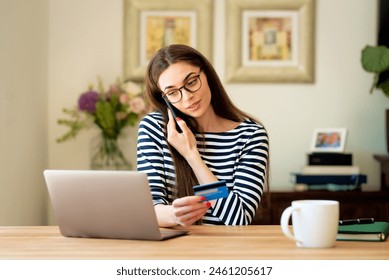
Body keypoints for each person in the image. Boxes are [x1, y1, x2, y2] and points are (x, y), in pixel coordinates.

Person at [137, 44, 269, 227]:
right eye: (173, 92)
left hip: (224, 251)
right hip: (170, 250)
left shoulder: (250, 135)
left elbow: (238, 220)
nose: (187, 97)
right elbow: (148, 208)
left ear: (207, 74)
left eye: (191, 82)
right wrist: (175, 216)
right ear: (164, 98)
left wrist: (192, 155)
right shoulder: (154, 128)